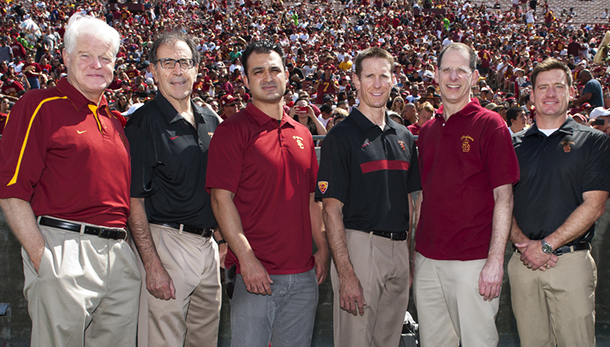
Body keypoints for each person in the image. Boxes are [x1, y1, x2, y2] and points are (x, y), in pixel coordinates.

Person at [0, 13, 140, 347]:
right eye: (85, 55)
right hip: (64, 247)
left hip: (119, 256)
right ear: (65, 57)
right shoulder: (39, 105)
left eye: (105, 57)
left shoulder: (115, 122)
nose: (97, 65)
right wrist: (44, 260)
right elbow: (10, 190)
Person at [206, 40, 329, 347]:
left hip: (304, 277)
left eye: (274, 69)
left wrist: (323, 249)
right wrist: (247, 261)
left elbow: (313, 200)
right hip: (255, 277)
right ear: (246, 81)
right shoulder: (232, 130)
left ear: (287, 75)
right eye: (258, 71)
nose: (268, 77)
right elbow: (221, 199)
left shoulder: (301, 133)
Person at [414, 42, 519, 347]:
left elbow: (504, 197)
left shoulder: (491, 125)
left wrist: (495, 261)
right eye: (447, 68)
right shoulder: (428, 130)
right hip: (427, 261)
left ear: (474, 77)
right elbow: (424, 195)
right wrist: (415, 257)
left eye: (461, 69)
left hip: (473, 262)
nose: (453, 76)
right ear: (436, 74)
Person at [124, 31, 225, 347]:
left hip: (207, 247)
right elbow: (133, 201)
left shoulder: (211, 119)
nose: (178, 71)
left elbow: (219, 189)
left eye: (184, 62)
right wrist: (152, 264)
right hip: (165, 243)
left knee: (205, 341)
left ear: (197, 68)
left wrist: (221, 241)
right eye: (168, 62)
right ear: (153, 70)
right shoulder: (143, 122)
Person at [316, 47, 420, 347]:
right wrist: (346, 272)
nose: (377, 83)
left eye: (383, 76)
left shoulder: (404, 136)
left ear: (393, 80)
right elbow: (330, 210)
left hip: (399, 249)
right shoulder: (341, 136)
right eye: (369, 76)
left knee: (388, 341)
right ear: (356, 81)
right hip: (360, 247)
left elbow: (413, 204)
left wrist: (409, 259)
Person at [509, 58, 610, 347]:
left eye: (557, 86)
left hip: (570, 263)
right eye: (542, 87)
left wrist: (545, 246)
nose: (550, 93)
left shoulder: (594, 142)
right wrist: (523, 245)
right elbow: (502, 202)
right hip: (523, 263)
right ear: (531, 94)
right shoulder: (512, 144)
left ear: (570, 92)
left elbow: (595, 205)